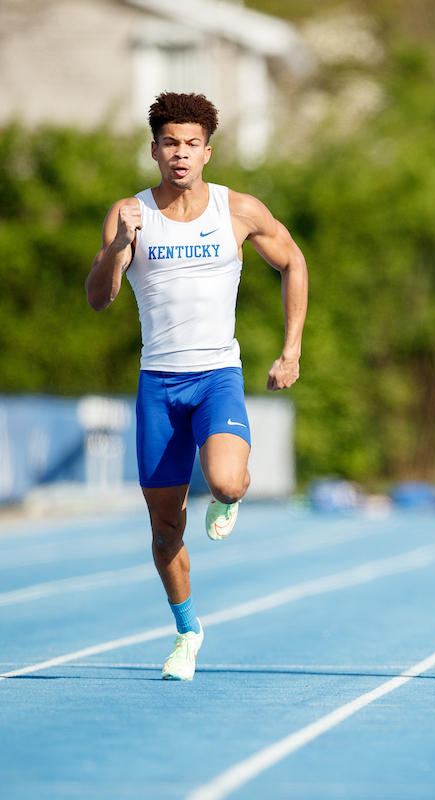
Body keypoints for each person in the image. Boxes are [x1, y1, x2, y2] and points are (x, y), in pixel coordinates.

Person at [85, 93, 308, 680]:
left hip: (216, 377)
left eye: (190, 145)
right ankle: (187, 631)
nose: (179, 155)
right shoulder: (129, 213)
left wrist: (291, 349)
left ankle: (231, 495)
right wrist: (117, 248)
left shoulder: (236, 210)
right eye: (169, 144)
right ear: (154, 150)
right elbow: (98, 298)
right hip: (158, 383)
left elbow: (293, 262)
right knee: (165, 529)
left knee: (227, 482)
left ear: (207, 152)